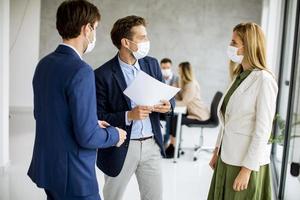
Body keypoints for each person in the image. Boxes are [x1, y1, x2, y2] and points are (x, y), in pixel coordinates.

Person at [27, 1, 127, 200]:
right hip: (74, 176)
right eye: (95, 28)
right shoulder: (81, 71)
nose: (94, 34)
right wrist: (114, 134)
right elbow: (87, 137)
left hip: (49, 168)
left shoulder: (44, 64)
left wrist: (91, 122)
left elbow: (44, 114)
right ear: (86, 28)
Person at [94, 15, 175, 200]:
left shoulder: (152, 64)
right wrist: (128, 115)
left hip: (151, 145)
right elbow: (98, 116)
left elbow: (167, 97)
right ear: (126, 42)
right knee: (112, 197)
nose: (148, 41)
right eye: (142, 37)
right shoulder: (102, 75)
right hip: (121, 146)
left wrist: (167, 106)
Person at [208, 22, 278, 200]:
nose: (230, 46)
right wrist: (217, 150)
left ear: (248, 46)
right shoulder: (239, 76)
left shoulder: (264, 80)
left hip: (245, 164)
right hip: (227, 157)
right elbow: (227, 120)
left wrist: (247, 170)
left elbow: (263, 130)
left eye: (234, 42)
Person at [165, 61, 210, 158]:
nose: (178, 72)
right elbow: (179, 97)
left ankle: (173, 146)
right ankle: (173, 145)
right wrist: (174, 88)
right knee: (174, 117)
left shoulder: (191, 85)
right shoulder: (185, 83)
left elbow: (183, 102)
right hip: (191, 111)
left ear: (184, 71)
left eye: (179, 70)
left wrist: (169, 103)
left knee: (176, 119)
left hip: (199, 114)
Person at [159, 58, 179, 146]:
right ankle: (159, 141)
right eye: (163, 68)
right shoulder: (158, 78)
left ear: (171, 67)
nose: (166, 70)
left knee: (169, 116)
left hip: (170, 107)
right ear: (160, 67)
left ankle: (166, 142)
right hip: (159, 105)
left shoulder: (176, 79)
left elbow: (178, 95)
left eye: (167, 68)